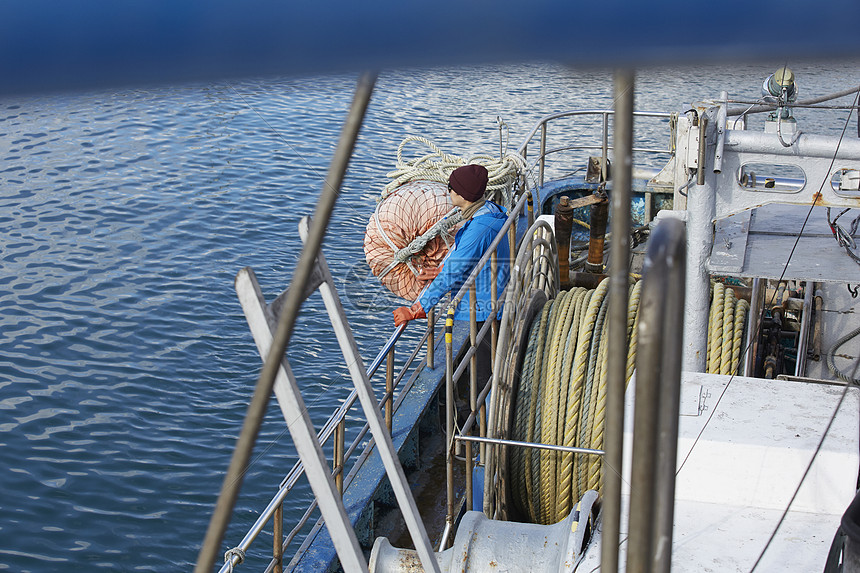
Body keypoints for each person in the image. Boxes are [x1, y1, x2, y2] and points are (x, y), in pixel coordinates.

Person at [392, 163, 510, 388]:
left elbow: (454, 272)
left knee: (478, 379)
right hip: (487, 299)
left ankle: (479, 418)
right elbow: (463, 259)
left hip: (480, 312)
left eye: (451, 187)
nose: (448, 191)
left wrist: (418, 308)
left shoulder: (479, 229)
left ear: (462, 195)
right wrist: (440, 270)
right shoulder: (489, 213)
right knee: (472, 374)